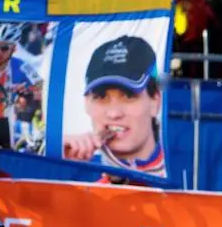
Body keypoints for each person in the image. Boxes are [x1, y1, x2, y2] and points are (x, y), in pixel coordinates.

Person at [63, 35, 166, 178]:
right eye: (101, 97)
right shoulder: (71, 169)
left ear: (155, 101)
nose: (113, 113)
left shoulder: (190, 172)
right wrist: (57, 166)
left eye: (128, 96)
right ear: (86, 103)